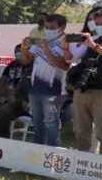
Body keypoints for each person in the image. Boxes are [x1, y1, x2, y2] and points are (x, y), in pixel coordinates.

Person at [20, 14, 71, 146]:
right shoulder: (41, 40)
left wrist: (47, 50)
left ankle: (52, 155)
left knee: (51, 123)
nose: (48, 30)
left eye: (52, 27)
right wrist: (23, 49)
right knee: (37, 122)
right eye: (46, 27)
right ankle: (38, 154)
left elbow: (65, 65)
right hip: (35, 88)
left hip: (54, 91)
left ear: (62, 28)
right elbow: (25, 61)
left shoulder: (66, 43)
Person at [71, 7, 102, 154]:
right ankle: (82, 167)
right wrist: (66, 47)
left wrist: (94, 46)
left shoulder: (97, 43)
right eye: (97, 24)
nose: (99, 27)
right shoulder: (93, 39)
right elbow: (71, 58)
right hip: (83, 89)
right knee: (81, 131)